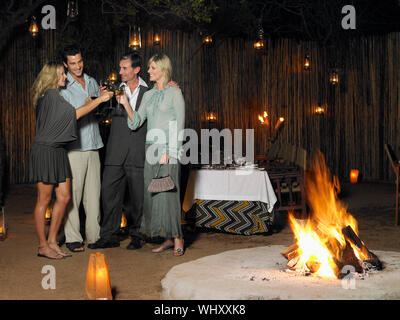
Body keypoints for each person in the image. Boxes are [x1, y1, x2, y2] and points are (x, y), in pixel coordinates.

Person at [30, 60, 113, 259]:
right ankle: (43, 246)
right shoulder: (50, 95)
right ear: (51, 76)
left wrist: (89, 104)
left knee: (65, 197)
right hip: (46, 151)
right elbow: (73, 115)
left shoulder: (54, 96)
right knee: (44, 199)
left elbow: (71, 113)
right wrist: (100, 100)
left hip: (59, 151)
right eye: (61, 74)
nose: (65, 77)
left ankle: (52, 241)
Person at [120, 53, 185, 256]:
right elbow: (136, 121)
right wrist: (125, 104)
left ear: (163, 70)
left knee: (170, 196)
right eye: (148, 68)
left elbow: (179, 124)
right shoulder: (148, 95)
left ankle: (178, 238)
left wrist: (169, 152)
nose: (148, 71)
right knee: (155, 195)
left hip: (168, 150)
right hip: (151, 150)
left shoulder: (175, 93)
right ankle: (166, 238)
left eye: (152, 68)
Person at [88, 52, 149, 250]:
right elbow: (99, 115)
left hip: (138, 151)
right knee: (109, 194)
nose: (120, 71)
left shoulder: (150, 92)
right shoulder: (113, 91)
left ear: (136, 70)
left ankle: (138, 235)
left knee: (138, 198)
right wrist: (99, 98)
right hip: (115, 151)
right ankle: (109, 236)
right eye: (120, 67)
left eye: (124, 68)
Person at [60, 45, 106, 252]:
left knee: (93, 194)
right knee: (73, 194)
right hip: (75, 148)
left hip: (94, 144)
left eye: (80, 61)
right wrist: (91, 104)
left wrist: (102, 101)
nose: (78, 66)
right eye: (73, 63)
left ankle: (94, 236)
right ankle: (73, 238)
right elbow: (71, 117)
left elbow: (97, 113)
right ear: (65, 65)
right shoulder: (63, 87)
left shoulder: (92, 82)